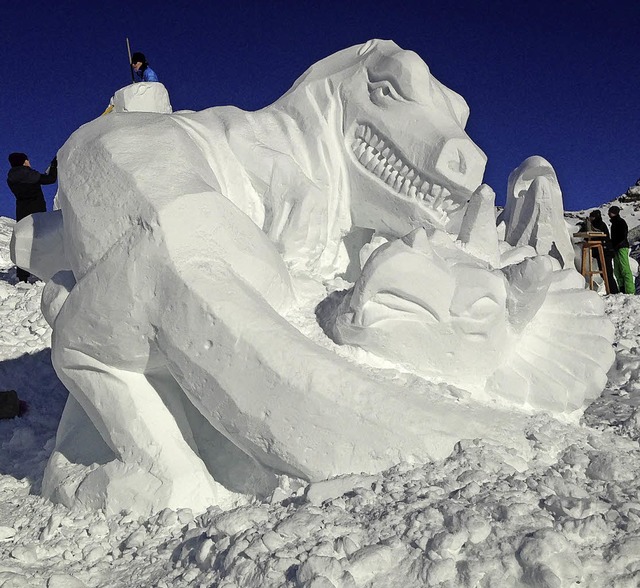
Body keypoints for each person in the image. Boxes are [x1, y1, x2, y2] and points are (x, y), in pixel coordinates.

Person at [6, 152, 57, 282]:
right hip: (37, 212)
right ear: (24, 161)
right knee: (41, 241)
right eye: (27, 160)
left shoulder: (11, 177)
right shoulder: (30, 174)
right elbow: (50, 179)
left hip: (22, 213)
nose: (29, 162)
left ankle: (22, 276)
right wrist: (54, 165)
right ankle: (45, 272)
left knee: (24, 242)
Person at [588, 209, 619, 294]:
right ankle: (612, 291)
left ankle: (613, 291)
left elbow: (597, 234)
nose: (591, 219)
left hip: (606, 251)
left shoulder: (599, 225)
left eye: (592, 217)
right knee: (605, 273)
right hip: (602, 252)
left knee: (608, 273)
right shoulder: (597, 225)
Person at [608, 205, 635, 294]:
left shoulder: (620, 222)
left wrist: (617, 244)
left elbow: (623, 235)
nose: (609, 214)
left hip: (622, 247)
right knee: (617, 270)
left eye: (610, 212)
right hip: (616, 248)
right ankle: (622, 289)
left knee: (624, 269)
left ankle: (630, 291)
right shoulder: (614, 223)